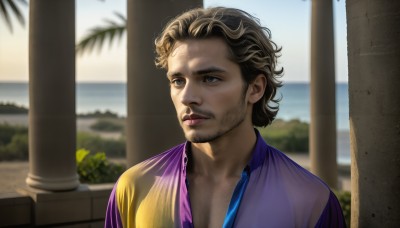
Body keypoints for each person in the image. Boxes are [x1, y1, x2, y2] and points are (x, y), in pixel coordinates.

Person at [105, 7, 346, 228]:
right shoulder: (134, 188)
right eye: (178, 81)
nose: (187, 97)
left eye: (210, 78)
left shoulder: (311, 200)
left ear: (255, 88)